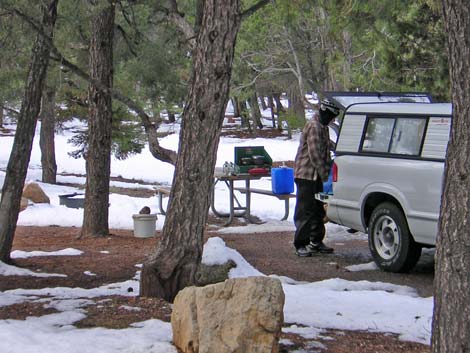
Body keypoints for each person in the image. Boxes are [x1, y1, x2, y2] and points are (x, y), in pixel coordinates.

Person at [293, 99, 339, 257]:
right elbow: (315, 154)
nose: (332, 119)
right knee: (305, 210)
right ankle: (301, 244)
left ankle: (316, 241)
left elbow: (326, 145)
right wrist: (325, 173)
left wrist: (339, 148)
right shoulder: (314, 126)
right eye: (331, 116)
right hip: (306, 175)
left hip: (316, 176)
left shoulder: (323, 127)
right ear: (325, 112)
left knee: (318, 208)